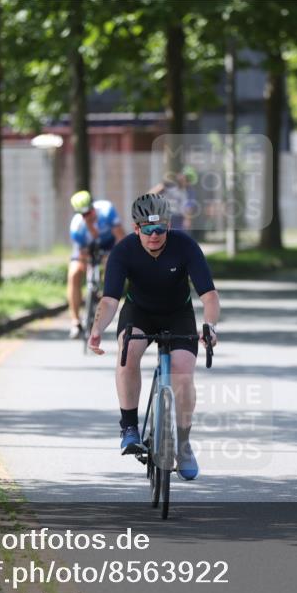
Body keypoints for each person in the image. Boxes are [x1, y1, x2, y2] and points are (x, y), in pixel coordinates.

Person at [87, 193, 220, 481]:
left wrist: (209, 326)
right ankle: (129, 427)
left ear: (169, 226)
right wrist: (98, 328)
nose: (154, 236)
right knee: (127, 351)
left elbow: (209, 295)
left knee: (183, 370)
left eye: (160, 229)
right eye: (147, 230)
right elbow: (110, 300)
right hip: (140, 311)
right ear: (137, 229)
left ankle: (183, 444)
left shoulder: (185, 246)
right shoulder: (123, 251)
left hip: (178, 312)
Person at [66, 190, 125, 339]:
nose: (89, 216)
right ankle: (75, 322)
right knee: (74, 273)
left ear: (93, 206)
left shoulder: (107, 210)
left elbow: (121, 237)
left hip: (109, 243)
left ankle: (105, 294)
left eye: (90, 211)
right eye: (84, 214)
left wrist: (113, 257)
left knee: (112, 266)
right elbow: (82, 254)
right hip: (87, 247)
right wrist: (87, 266)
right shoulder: (77, 227)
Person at [150, 165, 198, 232]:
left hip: (178, 218)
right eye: (185, 178)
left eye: (188, 181)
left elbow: (188, 207)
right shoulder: (169, 185)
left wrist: (187, 219)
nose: (186, 182)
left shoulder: (189, 191)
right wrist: (161, 186)